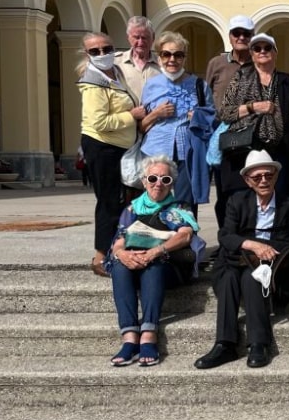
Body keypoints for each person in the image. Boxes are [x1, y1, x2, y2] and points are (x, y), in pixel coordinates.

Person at [195, 150, 289, 370]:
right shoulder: (236, 201)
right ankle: (225, 344)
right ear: (247, 180)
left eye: (268, 176)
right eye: (257, 177)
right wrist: (254, 245)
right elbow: (225, 235)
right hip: (234, 262)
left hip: (272, 270)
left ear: (276, 176)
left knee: (252, 278)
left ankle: (259, 343)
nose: (263, 181)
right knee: (230, 277)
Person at [105, 155, 203, 367]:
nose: (158, 183)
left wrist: (156, 251)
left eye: (165, 179)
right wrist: (123, 254)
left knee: (153, 264)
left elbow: (185, 235)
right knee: (119, 266)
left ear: (172, 183)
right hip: (135, 263)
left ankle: (148, 333)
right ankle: (130, 337)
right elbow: (119, 242)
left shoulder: (180, 207)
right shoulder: (131, 209)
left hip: (169, 266)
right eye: (153, 178)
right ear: (143, 181)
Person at [78, 31, 148, 277]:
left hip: (119, 147)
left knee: (121, 201)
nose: (102, 54)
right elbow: (99, 122)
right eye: (95, 51)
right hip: (102, 147)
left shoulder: (114, 73)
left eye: (106, 49)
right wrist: (132, 116)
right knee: (108, 202)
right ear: (88, 55)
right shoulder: (92, 82)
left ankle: (118, 249)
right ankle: (100, 257)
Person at [140, 31, 216, 213]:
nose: (172, 59)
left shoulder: (199, 85)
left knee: (185, 202)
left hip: (188, 152)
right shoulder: (151, 85)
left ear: (184, 57)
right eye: (166, 54)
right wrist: (157, 113)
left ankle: (185, 240)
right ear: (159, 57)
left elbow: (212, 119)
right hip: (155, 150)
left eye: (178, 55)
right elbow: (142, 125)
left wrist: (197, 117)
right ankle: (157, 239)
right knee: (156, 199)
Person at [217, 32, 289, 201]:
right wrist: (253, 107)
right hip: (246, 148)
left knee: (282, 200)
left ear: (275, 53)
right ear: (251, 54)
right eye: (257, 48)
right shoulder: (241, 77)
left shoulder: (286, 80)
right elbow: (225, 113)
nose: (262, 51)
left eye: (267, 48)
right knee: (246, 202)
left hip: (280, 150)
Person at [206, 15, 256, 229]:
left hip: (252, 136)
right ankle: (227, 241)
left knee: (252, 190)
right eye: (237, 33)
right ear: (230, 36)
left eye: (246, 33)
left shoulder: (259, 63)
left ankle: (249, 239)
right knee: (225, 193)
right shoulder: (217, 63)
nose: (241, 37)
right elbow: (207, 97)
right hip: (224, 137)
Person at [114, 16, 161, 100]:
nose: (141, 42)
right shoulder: (116, 63)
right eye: (136, 37)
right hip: (128, 113)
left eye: (145, 37)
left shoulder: (163, 64)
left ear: (153, 38)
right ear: (128, 37)